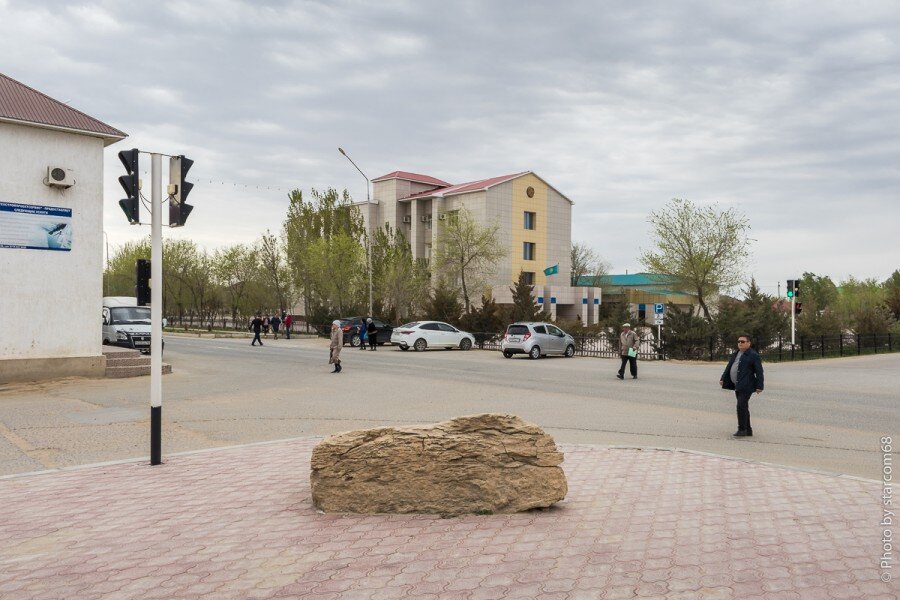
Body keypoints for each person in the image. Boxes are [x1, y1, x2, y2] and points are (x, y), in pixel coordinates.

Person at [720, 334, 764, 437]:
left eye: (743, 341)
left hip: (747, 385)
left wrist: (759, 386)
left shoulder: (753, 355)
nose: (740, 343)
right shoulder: (736, 353)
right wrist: (723, 378)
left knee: (741, 406)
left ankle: (742, 429)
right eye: (739, 341)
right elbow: (729, 366)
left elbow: (759, 372)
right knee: (743, 406)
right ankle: (748, 430)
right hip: (738, 385)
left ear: (749, 343)